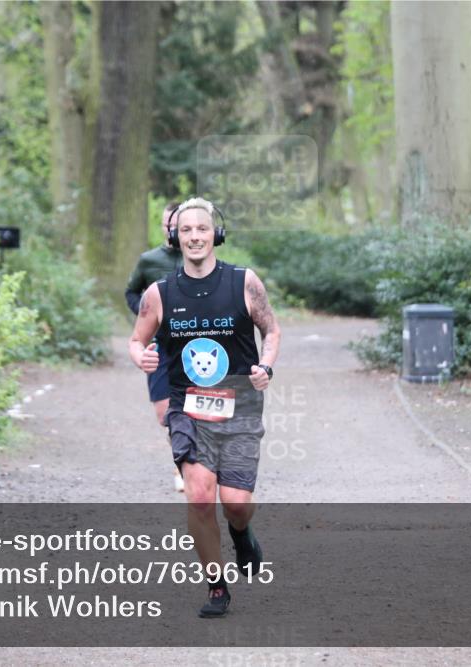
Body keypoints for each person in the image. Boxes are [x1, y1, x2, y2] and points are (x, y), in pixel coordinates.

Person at [128, 197, 281, 618]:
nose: (195, 236)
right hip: (186, 406)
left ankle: (242, 532)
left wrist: (265, 365)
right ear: (175, 236)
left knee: (235, 503)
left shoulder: (244, 282)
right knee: (199, 498)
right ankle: (216, 586)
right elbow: (136, 339)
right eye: (186, 230)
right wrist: (140, 356)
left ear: (216, 234)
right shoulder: (159, 293)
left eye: (202, 229)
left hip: (240, 406)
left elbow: (271, 329)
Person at [125, 202, 185, 492]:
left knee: (196, 408)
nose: (172, 230)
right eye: (168, 225)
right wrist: (147, 314)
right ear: (162, 226)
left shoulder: (200, 258)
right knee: (165, 414)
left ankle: (188, 465)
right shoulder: (149, 260)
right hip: (159, 346)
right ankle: (182, 460)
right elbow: (131, 291)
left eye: (179, 225)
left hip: (194, 345)